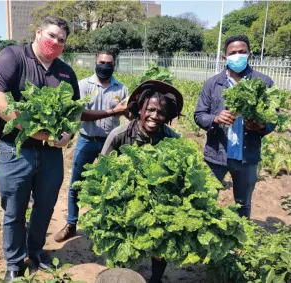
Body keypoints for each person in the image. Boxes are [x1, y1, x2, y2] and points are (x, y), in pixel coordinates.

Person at [0, 16, 79, 282]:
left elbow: (74, 112)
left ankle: (36, 251)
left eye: (61, 40)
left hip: (51, 154)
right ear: (38, 32)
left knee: (45, 205)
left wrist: (67, 135)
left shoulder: (65, 72)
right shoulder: (13, 56)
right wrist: (34, 130)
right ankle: (14, 263)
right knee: (14, 208)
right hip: (16, 149)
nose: (55, 43)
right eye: (51, 36)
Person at [101, 80, 183, 283]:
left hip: (160, 203)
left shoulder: (173, 139)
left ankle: (156, 278)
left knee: (161, 241)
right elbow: (100, 171)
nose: (155, 116)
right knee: (123, 246)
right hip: (122, 202)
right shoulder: (119, 136)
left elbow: (181, 178)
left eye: (161, 112)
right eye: (150, 109)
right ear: (139, 109)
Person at [194, 35, 276, 219]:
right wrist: (215, 119)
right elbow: (199, 115)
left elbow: (273, 119)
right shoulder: (213, 84)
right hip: (216, 155)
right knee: (205, 200)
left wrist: (261, 126)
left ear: (249, 54)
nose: (237, 56)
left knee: (243, 204)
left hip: (247, 157)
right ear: (225, 57)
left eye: (242, 52)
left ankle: (239, 245)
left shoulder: (264, 83)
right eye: (233, 53)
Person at [54, 50, 128, 242]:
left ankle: (106, 227)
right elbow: (81, 114)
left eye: (109, 63)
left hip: (111, 142)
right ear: (95, 63)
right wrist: (113, 111)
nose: (105, 66)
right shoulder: (84, 85)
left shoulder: (121, 89)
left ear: (114, 65)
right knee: (75, 184)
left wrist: (132, 110)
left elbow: (127, 115)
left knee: (111, 185)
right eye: (102, 62)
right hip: (86, 140)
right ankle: (71, 223)